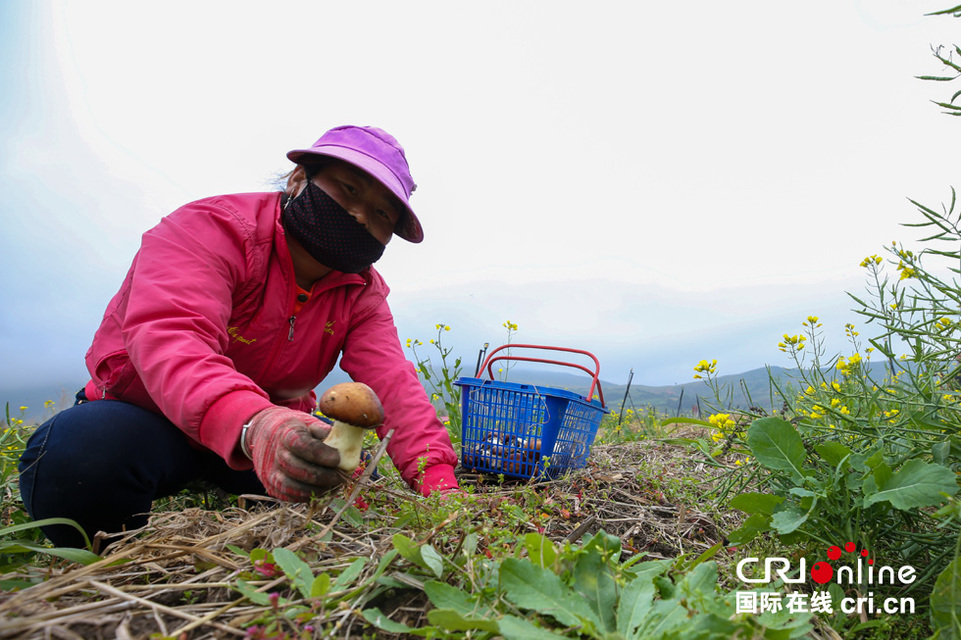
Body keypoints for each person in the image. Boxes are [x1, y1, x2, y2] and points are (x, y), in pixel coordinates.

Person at [18, 125, 461, 548]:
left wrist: (438, 482)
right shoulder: (212, 229)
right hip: (150, 419)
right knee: (79, 460)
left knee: (355, 478)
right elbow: (173, 337)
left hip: (269, 435)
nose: (359, 214)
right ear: (298, 178)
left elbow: (392, 384)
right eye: (348, 189)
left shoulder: (360, 291)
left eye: (382, 212)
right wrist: (253, 424)